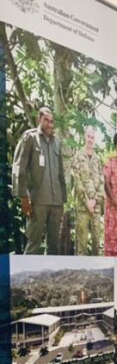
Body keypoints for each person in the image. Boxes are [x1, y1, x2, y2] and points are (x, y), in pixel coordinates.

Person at [12, 106, 66, 255]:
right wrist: (24, 197)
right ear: (39, 119)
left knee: (53, 246)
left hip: (56, 203)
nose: (50, 124)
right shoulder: (30, 138)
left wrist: (63, 200)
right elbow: (19, 167)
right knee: (33, 244)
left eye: (52, 121)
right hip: (37, 202)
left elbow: (60, 173)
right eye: (46, 120)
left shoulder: (57, 142)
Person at [70, 126, 105, 255]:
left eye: (92, 137)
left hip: (96, 209)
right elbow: (77, 181)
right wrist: (87, 201)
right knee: (82, 246)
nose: (90, 139)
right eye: (88, 136)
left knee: (97, 244)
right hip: (82, 208)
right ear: (85, 137)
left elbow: (102, 182)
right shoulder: (78, 157)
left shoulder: (97, 160)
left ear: (95, 139)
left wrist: (95, 200)